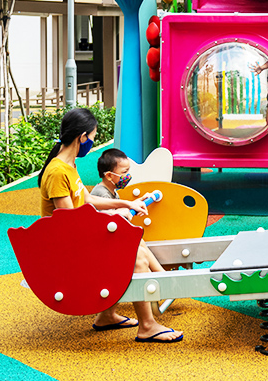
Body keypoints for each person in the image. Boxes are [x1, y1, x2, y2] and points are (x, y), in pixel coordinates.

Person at [37, 107, 184, 342]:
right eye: (92, 137)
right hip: (68, 249)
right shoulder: (57, 172)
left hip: (75, 239)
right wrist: (113, 217)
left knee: (133, 238)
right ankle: (147, 325)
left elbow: (87, 200)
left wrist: (126, 204)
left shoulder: (68, 166)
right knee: (135, 255)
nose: (92, 142)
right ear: (82, 137)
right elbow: (70, 221)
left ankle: (108, 315)